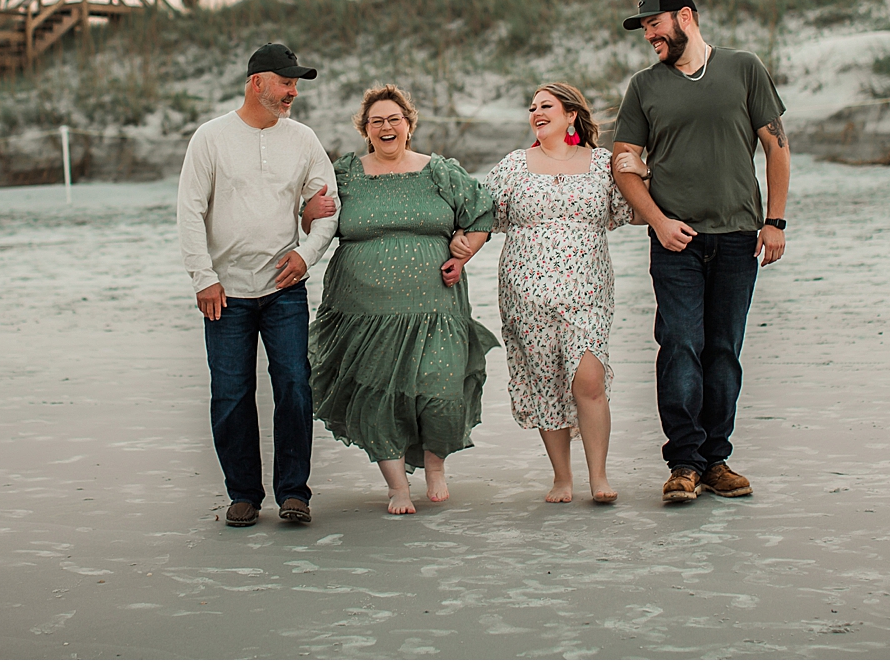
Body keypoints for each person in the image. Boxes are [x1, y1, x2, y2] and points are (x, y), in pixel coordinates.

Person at [610, 0, 789, 506]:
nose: (648, 35)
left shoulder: (744, 68)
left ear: (685, 17)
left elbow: (776, 146)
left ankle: (717, 460)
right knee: (680, 346)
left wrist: (774, 221)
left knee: (723, 351)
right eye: (644, 28)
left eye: (654, 24)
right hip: (676, 242)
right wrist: (659, 222)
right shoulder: (643, 87)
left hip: (737, 238)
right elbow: (624, 164)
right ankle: (684, 463)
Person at [308, 84, 498, 515]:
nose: (386, 126)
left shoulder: (439, 172)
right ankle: (396, 487)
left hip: (435, 308)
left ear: (409, 126)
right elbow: (312, 217)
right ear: (366, 130)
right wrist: (306, 215)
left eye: (395, 119)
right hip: (362, 312)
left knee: (439, 389)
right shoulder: (345, 175)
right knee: (379, 395)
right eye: (377, 121)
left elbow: (482, 212)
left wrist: (467, 250)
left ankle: (435, 467)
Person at [177, 43, 339, 528]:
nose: (293, 92)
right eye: (286, 82)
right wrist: (203, 277)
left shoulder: (303, 139)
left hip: (283, 288)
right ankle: (243, 493)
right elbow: (190, 211)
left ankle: (294, 493)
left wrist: (305, 254)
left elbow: (327, 208)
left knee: (294, 385)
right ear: (257, 83)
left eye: (296, 84)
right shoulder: (211, 138)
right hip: (224, 292)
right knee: (230, 393)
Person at [470, 82, 633, 505]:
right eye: (532, 107)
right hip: (525, 293)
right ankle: (562, 477)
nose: (536, 112)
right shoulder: (514, 165)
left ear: (571, 115)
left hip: (588, 290)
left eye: (546, 105)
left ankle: (598, 475)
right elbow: (479, 215)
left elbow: (631, 210)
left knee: (588, 378)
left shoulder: (602, 163)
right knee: (546, 381)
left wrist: (643, 170)